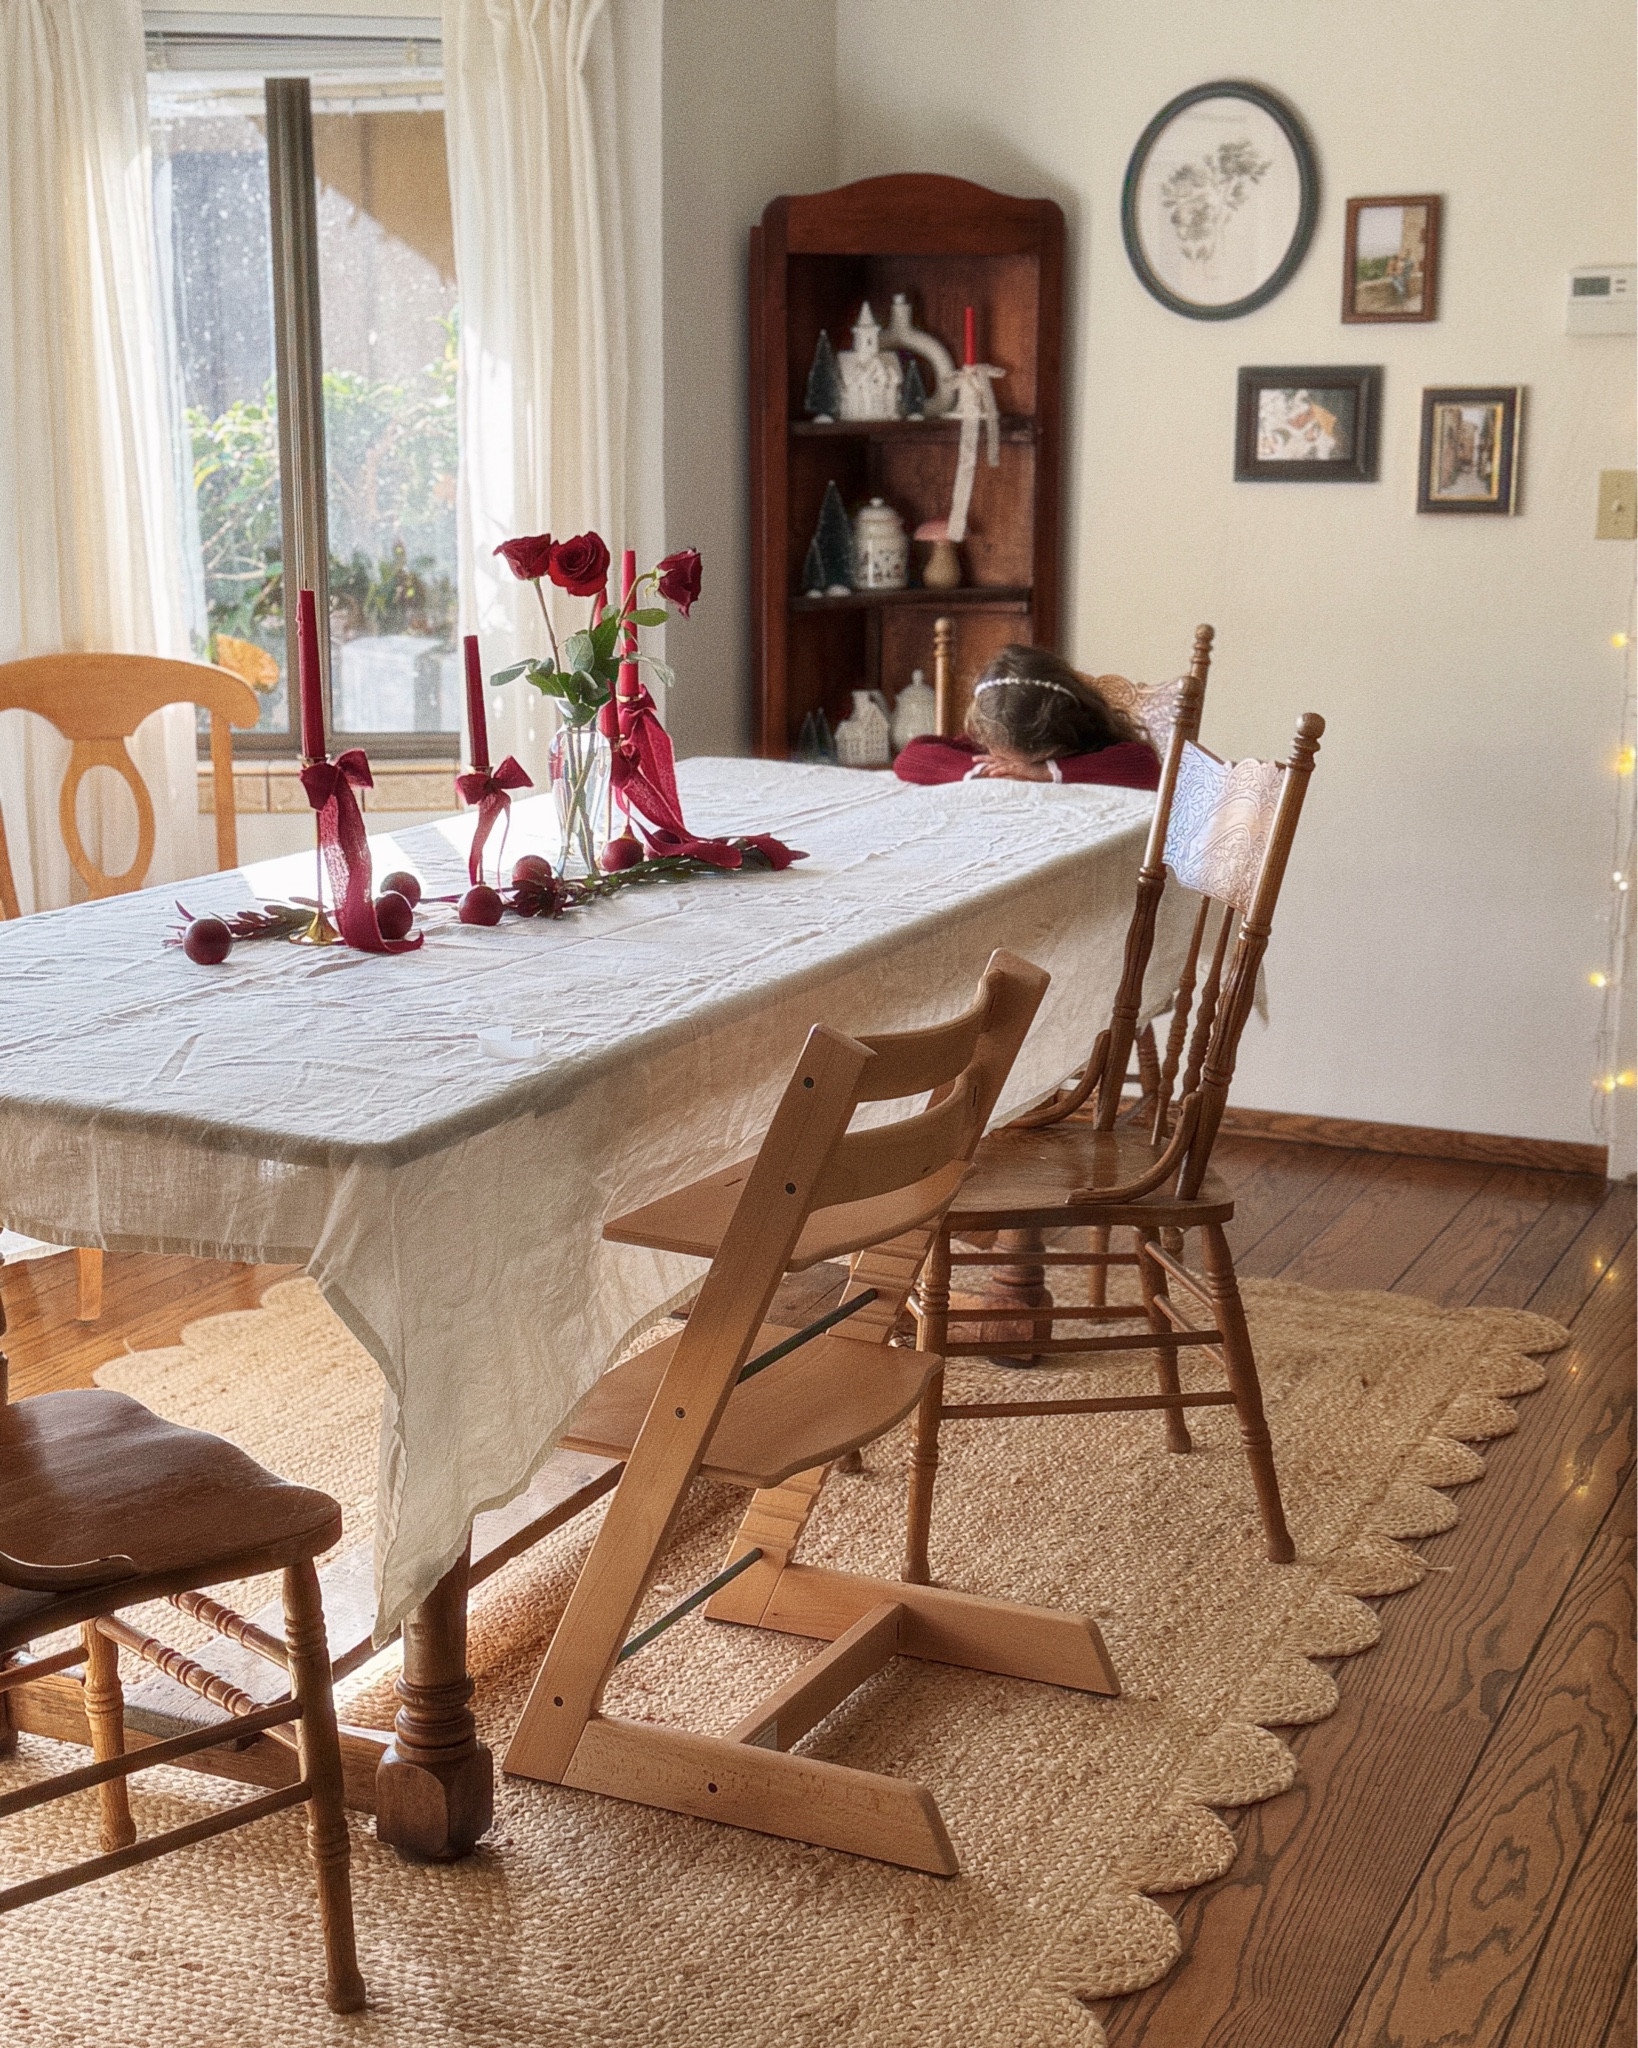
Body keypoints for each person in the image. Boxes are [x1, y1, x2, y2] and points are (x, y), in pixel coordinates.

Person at [892, 644, 1160, 789]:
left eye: (1032, 761)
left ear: (1060, 739)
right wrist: (983, 771)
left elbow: (1146, 766)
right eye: (1004, 760)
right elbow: (910, 758)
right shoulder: (990, 740)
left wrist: (1044, 772)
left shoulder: (1084, 739)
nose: (1013, 770)